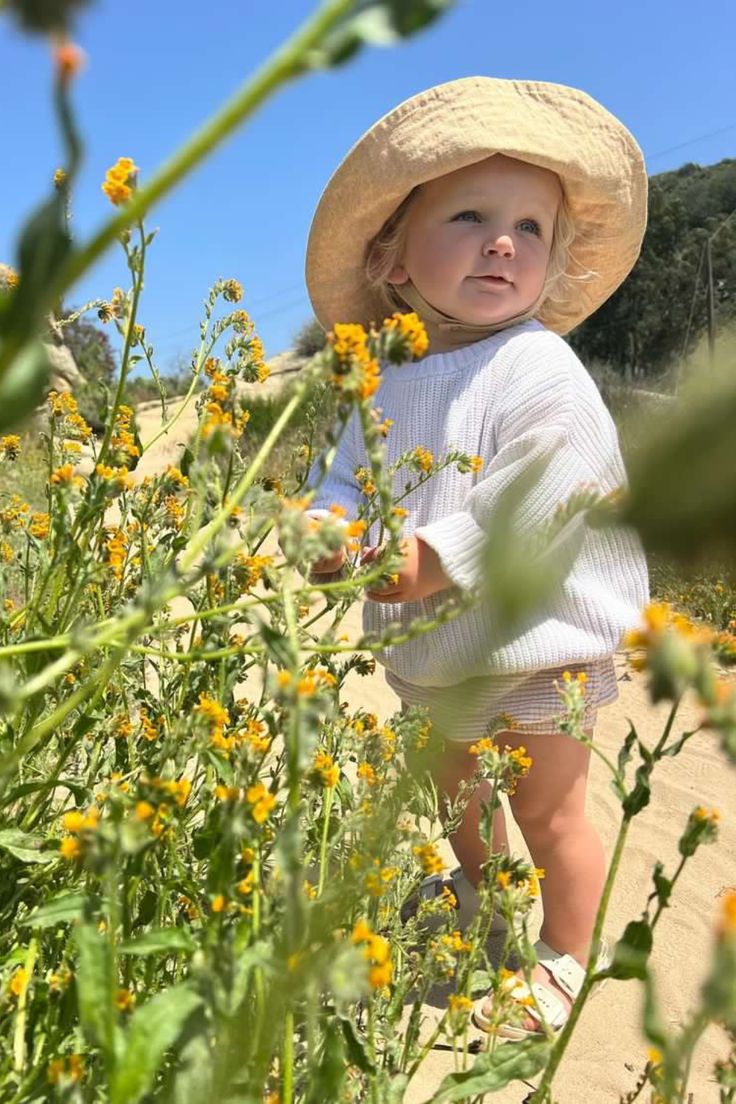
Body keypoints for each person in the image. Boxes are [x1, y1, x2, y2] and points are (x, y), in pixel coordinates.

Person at [303, 77, 649, 1039]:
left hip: (539, 640)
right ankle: (478, 901)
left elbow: (547, 490)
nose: (505, 242)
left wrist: (431, 558)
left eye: (531, 229)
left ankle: (566, 958)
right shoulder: (384, 377)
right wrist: (328, 529)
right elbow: (345, 477)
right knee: (457, 796)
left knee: (548, 815)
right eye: (470, 216)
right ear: (392, 256)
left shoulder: (537, 365)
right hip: (435, 646)